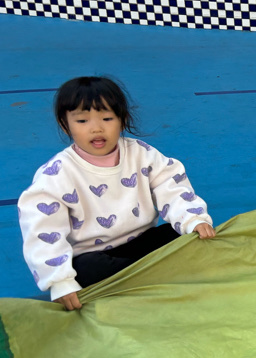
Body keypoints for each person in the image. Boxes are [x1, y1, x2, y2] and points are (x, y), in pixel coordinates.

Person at [18, 77, 216, 311]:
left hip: (140, 242)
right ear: (65, 125)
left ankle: (140, 277)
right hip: (92, 255)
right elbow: (43, 229)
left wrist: (192, 219)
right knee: (88, 270)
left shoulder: (141, 154)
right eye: (82, 120)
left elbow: (170, 186)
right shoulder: (56, 174)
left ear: (122, 120)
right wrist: (59, 281)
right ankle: (153, 273)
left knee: (184, 237)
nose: (96, 128)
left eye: (107, 119)